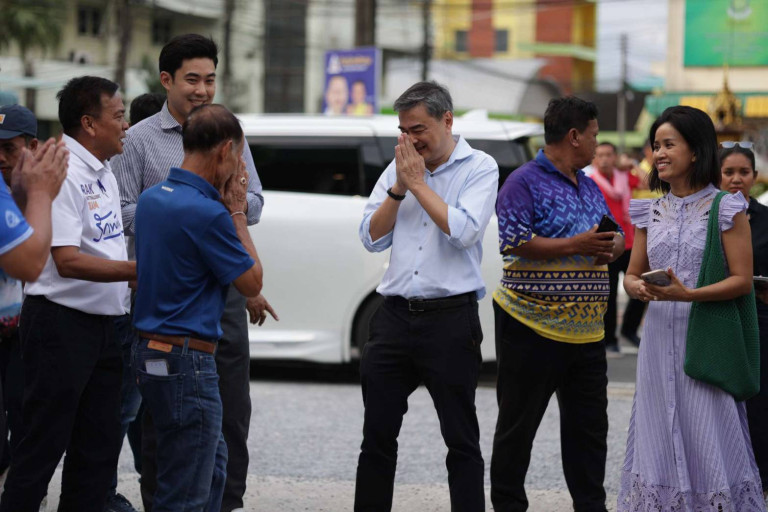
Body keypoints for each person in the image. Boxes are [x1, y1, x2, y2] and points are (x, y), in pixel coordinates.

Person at [111, 34, 275, 512]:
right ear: (167, 80)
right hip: (164, 283)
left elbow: (254, 201)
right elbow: (121, 210)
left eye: (210, 79)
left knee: (229, 410)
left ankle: (225, 503)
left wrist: (213, 209)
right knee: (164, 418)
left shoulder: (229, 130)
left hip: (219, 285)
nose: (202, 90)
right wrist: (188, 215)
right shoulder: (139, 139)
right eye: (192, 80)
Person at [356, 81, 498, 511]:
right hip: (393, 317)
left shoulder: (480, 166)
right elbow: (370, 237)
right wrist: (399, 187)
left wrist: (417, 184)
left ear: (446, 120)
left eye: (418, 129)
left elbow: (464, 231)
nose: (410, 139)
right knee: (377, 437)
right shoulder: (397, 169)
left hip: (450, 319)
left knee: (461, 439)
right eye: (404, 130)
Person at [0, 76, 136, 512]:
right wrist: (138, 271)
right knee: (42, 445)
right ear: (89, 124)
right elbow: (66, 260)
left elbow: (103, 245)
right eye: (119, 116)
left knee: (98, 449)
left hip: (105, 326)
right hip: (60, 324)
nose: (126, 125)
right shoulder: (61, 169)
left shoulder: (104, 169)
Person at [618, 106, 763, 510]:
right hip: (656, 338)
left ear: (696, 150)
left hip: (706, 335)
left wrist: (690, 295)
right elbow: (631, 274)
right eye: (656, 145)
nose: (659, 153)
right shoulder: (649, 210)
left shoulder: (727, 208)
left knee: (710, 428)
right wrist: (636, 287)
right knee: (657, 429)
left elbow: (741, 280)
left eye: (669, 144)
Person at [491, 97, 624, 512]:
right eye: (594, 135)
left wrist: (612, 246)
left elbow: (614, 236)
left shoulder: (589, 185)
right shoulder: (522, 182)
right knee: (517, 429)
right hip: (530, 326)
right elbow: (514, 241)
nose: (597, 143)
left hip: (587, 334)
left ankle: (591, 507)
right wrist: (577, 244)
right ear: (574, 136)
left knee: (590, 432)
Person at [133, 103, 263, 511]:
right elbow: (252, 281)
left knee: (209, 468)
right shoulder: (208, 213)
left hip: (149, 352)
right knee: (187, 490)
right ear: (225, 150)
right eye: (239, 156)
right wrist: (237, 212)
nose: (240, 167)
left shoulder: (152, 199)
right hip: (189, 360)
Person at [0, 106, 68, 478]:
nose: (0, 157)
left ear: (33, 147)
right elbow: (28, 264)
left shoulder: (53, 188)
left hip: (26, 328)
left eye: (9, 148)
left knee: (28, 418)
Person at [720, 142, 768, 498]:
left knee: (760, 397)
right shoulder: (707, 216)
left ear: (755, 176)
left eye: (743, 172)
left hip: (761, 315)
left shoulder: (766, 218)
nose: (736, 179)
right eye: (729, 172)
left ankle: (761, 477)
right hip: (717, 314)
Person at [590, 142, 646, 353]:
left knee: (642, 287)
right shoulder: (590, 181)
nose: (604, 159)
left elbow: (646, 182)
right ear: (595, 159)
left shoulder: (624, 177)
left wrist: (632, 164)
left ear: (615, 157)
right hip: (608, 244)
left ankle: (629, 330)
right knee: (610, 295)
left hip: (630, 241)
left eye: (608, 155)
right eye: (600, 155)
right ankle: (610, 339)